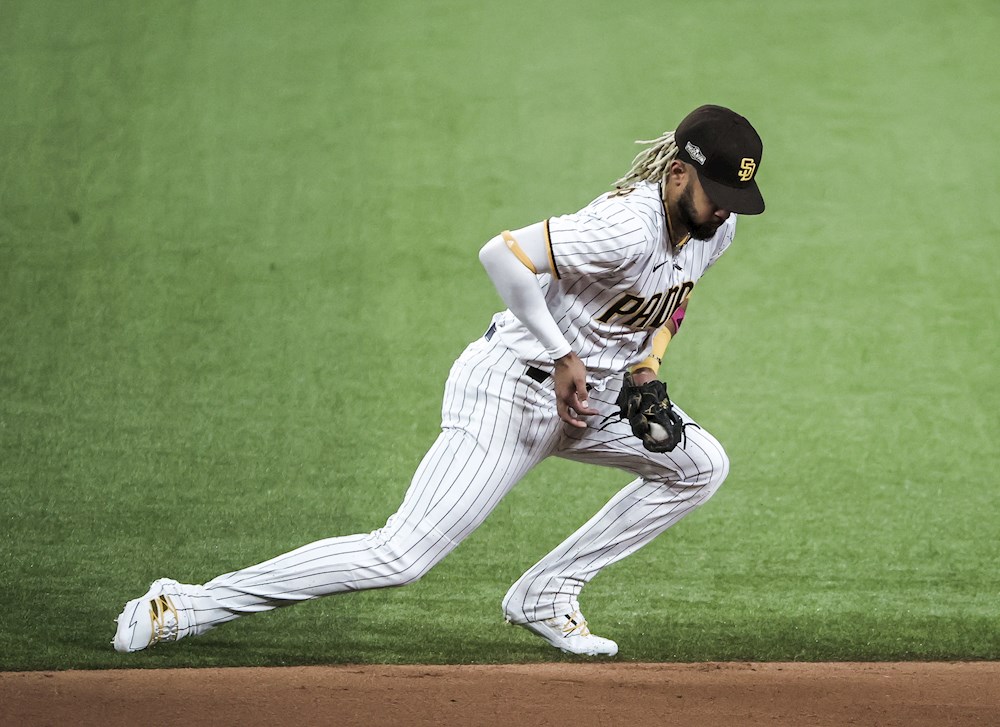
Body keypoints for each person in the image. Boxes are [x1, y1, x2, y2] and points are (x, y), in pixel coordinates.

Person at [114, 104, 765, 657]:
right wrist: (563, 352)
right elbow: (501, 256)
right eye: (716, 195)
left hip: (596, 401)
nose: (724, 212)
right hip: (513, 390)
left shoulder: (716, 227)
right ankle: (187, 604)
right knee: (399, 555)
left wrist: (647, 365)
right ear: (677, 173)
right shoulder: (622, 227)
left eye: (734, 200)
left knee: (700, 466)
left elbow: (674, 300)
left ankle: (547, 592)